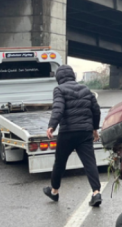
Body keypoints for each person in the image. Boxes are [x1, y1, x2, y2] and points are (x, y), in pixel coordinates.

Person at [42, 65, 103, 207]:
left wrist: (52, 126)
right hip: (85, 132)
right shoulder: (86, 89)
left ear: (58, 78)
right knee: (90, 163)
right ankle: (96, 193)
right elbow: (96, 110)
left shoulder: (59, 89)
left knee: (60, 163)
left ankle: (54, 191)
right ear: (73, 76)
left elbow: (58, 108)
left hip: (67, 133)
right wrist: (94, 129)